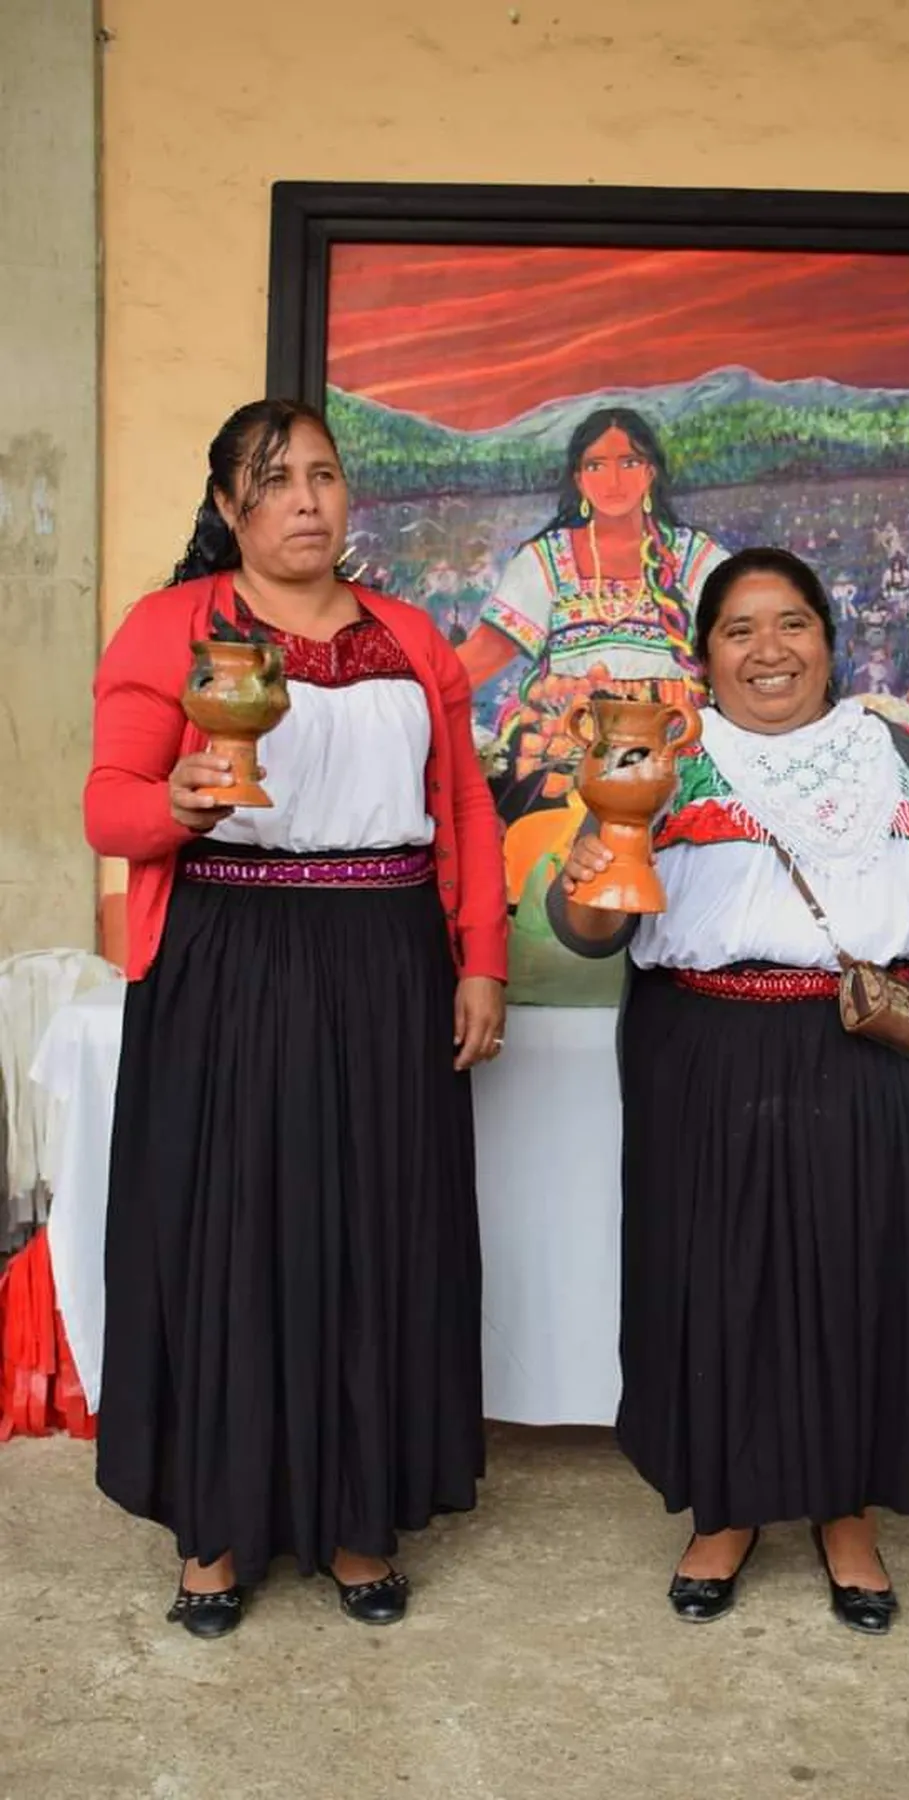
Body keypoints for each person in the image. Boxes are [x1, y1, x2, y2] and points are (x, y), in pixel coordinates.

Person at [84, 399, 507, 1638]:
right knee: (228, 1233)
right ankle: (214, 1533)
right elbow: (109, 807)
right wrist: (181, 801)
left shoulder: (412, 636)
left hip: (386, 957)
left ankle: (353, 1520)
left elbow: (469, 811)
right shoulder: (174, 627)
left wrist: (479, 957)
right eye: (274, 481)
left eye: (323, 475)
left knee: (376, 1231)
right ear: (228, 507)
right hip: (230, 954)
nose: (306, 500)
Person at [547, 547, 909, 1634]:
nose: (769, 649)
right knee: (718, 1284)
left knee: (869, 1282)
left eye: (792, 624)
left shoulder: (892, 755)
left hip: (873, 1049)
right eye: (741, 629)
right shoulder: (664, 754)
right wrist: (601, 866)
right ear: (705, 654)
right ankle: (725, 1511)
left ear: (829, 644)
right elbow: (584, 926)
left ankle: (848, 1520)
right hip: (707, 1052)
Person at [456, 407, 727, 823]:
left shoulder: (694, 558)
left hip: (672, 740)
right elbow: (481, 656)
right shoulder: (545, 560)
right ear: (579, 479)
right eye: (596, 465)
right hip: (563, 744)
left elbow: (740, 641)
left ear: (651, 472)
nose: (613, 481)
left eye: (629, 462)